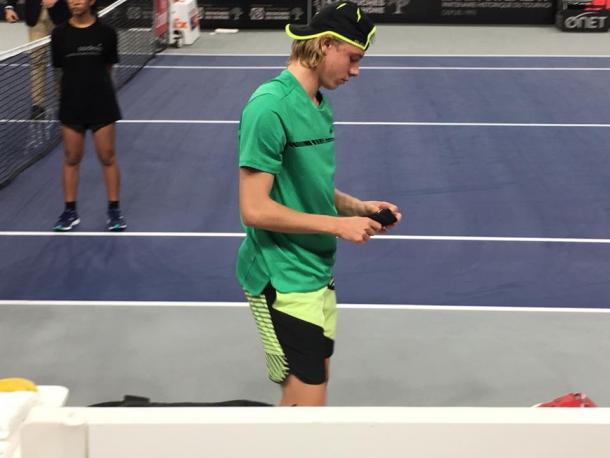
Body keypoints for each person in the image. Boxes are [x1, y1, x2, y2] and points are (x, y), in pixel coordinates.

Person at [236, 1, 401, 407]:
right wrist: (337, 226)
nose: (356, 70)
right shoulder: (269, 107)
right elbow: (254, 210)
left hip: (316, 274)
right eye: (353, 58)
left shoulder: (317, 105)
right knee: (308, 412)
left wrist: (358, 208)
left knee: (302, 403)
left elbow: (310, 188)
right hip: (281, 279)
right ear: (326, 44)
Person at [50, 0, 126, 231]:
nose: (74, 1)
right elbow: (60, 71)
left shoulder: (107, 33)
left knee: (108, 157)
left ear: (91, 1)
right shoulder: (59, 34)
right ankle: (69, 211)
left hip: (102, 103)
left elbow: (108, 69)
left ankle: (114, 211)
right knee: (71, 158)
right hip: (72, 104)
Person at [4, 0, 70, 119]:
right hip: (36, 18)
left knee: (61, 60)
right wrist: (9, 7)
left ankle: (63, 100)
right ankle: (37, 105)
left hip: (61, 15)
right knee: (37, 60)